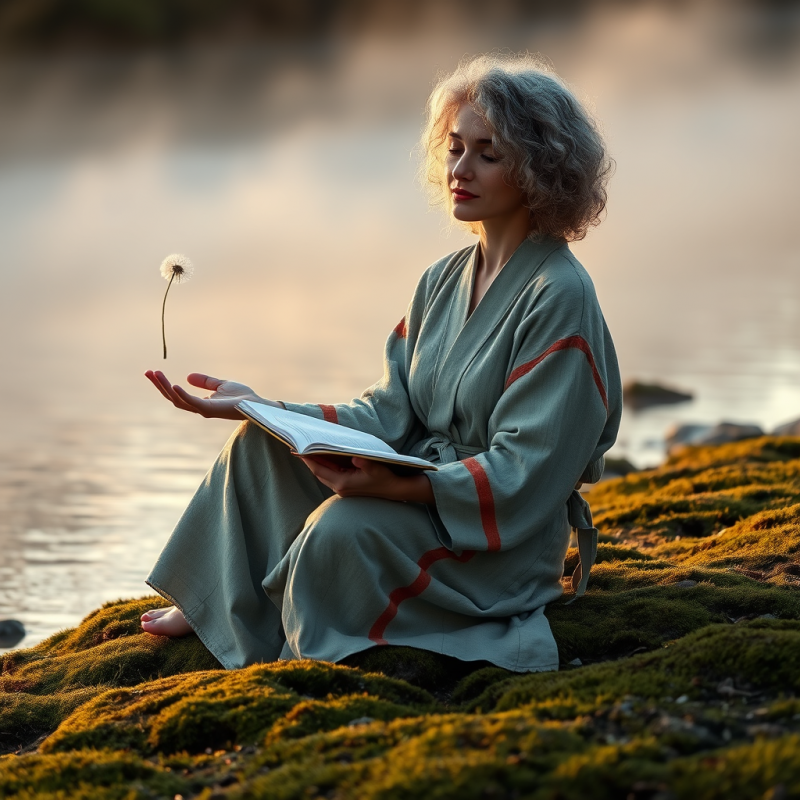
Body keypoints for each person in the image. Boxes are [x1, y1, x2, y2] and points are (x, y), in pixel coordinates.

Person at [140, 54, 622, 673]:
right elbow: (388, 411)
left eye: (488, 154)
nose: (460, 169)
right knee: (256, 448)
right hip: (423, 488)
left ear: (538, 170)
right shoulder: (441, 280)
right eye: (454, 148)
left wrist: (397, 485)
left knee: (343, 530)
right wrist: (263, 408)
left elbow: (526, 472)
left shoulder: (560, 296)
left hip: (493, 539)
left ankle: (290, 644)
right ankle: (219, 601)